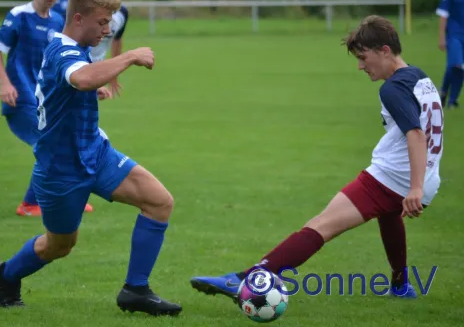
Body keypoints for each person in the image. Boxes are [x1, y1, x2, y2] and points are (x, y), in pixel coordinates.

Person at [190, 15, 444, 301]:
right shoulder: (419, 76)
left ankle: (246, 279)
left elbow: (415, 134)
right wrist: (421, 184)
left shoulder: (392, 88)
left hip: (392, 178)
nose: (360, 66)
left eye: (363, 57)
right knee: (388, 217)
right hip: (422, 175)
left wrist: (415, 187)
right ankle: (401, 286)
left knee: (321, 225)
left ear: (385, 50)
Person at [0, 0, 182, 316]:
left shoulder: (77, 52)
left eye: (110, 22)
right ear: (79, 19)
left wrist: (97, 88)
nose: (108, 30)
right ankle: (5, 274)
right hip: (60, 169)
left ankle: (135, 290)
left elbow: (82, 81)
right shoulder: (61, 48)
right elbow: (80, 78)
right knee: (60, 245)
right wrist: (131, 56)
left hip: (96, 153)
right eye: (103, 22)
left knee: (159, 202)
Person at [0, 0, 94, 216]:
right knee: (50, 146)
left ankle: (64, 197)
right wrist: (5, 82)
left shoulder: (58, 20)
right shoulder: (19, 16)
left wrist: (91, 85)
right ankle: (31, 204)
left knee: (61, 145)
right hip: (20, 98)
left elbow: (67, 58)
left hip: (46, 101)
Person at [51, 0, 128, 96]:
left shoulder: (122, 13)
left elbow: (117, 40)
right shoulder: (75, 11)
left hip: (96, 71)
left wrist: (113, 74)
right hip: (74, 67)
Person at [436, 0, 464, 109]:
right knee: (457, 66)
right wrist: (442, 37)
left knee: (453, 67)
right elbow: (443, 16)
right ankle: (451, 100)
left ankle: (446, 94)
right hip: (454, 36)